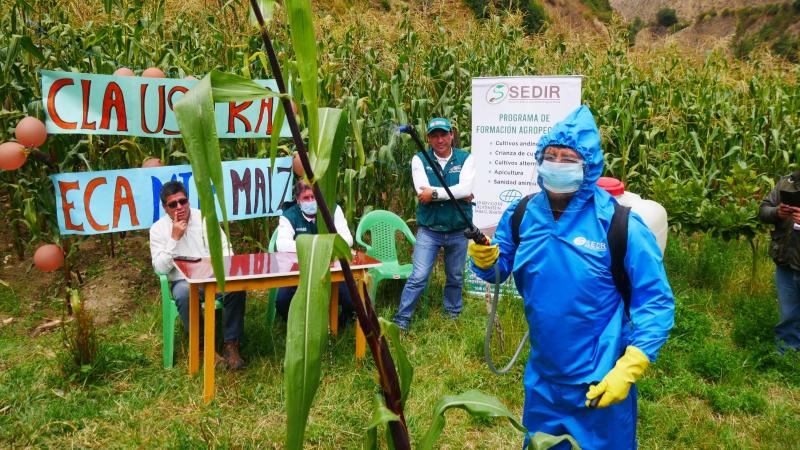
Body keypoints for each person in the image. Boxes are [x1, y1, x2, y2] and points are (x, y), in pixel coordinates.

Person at [468, 106, 674, 449]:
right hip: (544, 379)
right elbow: (498, 267)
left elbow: (656, 302)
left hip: (601, 381)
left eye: (568, 158)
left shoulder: (619, 225)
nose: (557, 164)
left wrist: (631, 365)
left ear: (588, 165)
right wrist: (484, 259)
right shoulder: (523, 214)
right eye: (550, 156)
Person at [150, 181, 247, 370]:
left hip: (212, 277)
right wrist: (174, 238)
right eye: (173, 204)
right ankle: (203, 348)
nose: (179, 207)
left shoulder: (205, 218)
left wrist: (217, 266)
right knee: (184, 294)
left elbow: (226, 249)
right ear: (165, 207)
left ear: (188, 200)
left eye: (183, 201)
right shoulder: (158, 229)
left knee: (236, 288)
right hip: (183, 281)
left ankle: (231, 344)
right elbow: (160, 268)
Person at [392, 117, 476, 331]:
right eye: (435, 136)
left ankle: (452, 316)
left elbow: (466, 189)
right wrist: (457, 194)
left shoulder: (466, 159)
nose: (440, 140)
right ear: (428, 138)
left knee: (455, 276)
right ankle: (401, 320)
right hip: (429, 230)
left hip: (458, 229)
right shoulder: (419, 159)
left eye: (444, 135)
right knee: (418, 277)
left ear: (452, 135)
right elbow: (423, 192)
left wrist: (436, 193)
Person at [275, 180, 355, 325]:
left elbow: (347, 239)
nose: (311, 201)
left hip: (329, 269)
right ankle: (297, 322)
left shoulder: (333, 209)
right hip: (300, 271)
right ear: (298, 200)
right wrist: (315, 247)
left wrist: (319, 249)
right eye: (306, 198)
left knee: (352, 298)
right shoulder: (289, 215)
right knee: (282, 301)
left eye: (314, 197)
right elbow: (281, 244)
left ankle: (341, 322)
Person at [758, 172, 800, 354]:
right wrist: (777, 212)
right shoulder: (787, 182)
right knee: (788, 315)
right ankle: (786, 356)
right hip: (786, 262)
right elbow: (763, 210)